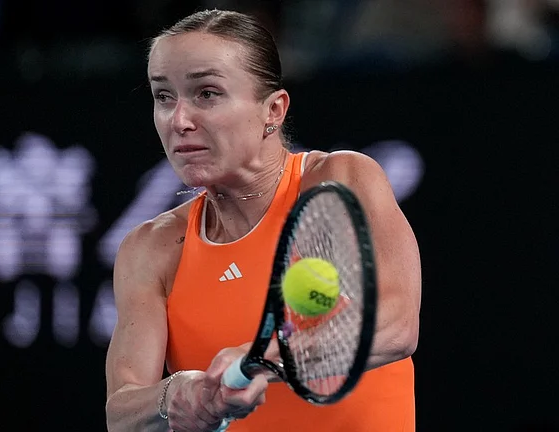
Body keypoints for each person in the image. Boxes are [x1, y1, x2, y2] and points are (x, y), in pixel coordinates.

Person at [104, 8, 421, 432]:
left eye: (207, 93)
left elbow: (397, 325)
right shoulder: (152, 248)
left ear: (273, 110)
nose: (179, 121)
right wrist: (174, 394)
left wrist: (261, 360)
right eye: (164, 96)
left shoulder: (341, 179)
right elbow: (121, 412)